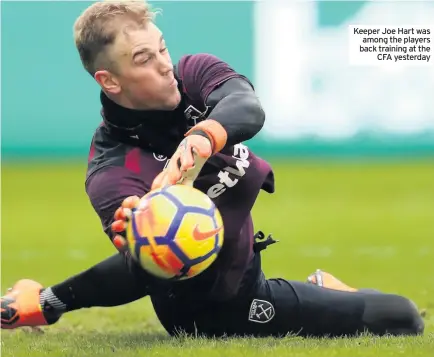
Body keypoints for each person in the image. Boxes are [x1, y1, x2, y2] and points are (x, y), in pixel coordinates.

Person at [1, 1, 424, 338]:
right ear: (110, 81)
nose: (165, 64)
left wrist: (203, 136)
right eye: (144, 59)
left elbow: (247, 107)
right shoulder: (114, 172)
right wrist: (58, 296)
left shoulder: (193, 75)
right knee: (403, 316)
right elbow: (141, 272)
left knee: (398, 314)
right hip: (216, 311)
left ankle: (318, 288)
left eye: (162, 48)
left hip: (247, 268)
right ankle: (319, 291)